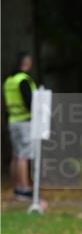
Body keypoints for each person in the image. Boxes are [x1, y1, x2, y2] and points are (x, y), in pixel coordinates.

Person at [3, 51, 36, 198]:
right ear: (26, 62)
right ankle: (25, 188)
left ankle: (17, 187)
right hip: (24, 121)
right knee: (24, 156)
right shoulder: (23, 80)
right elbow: (30, 103)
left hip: (12, 120)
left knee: (16, 156)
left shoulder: (9, 80)